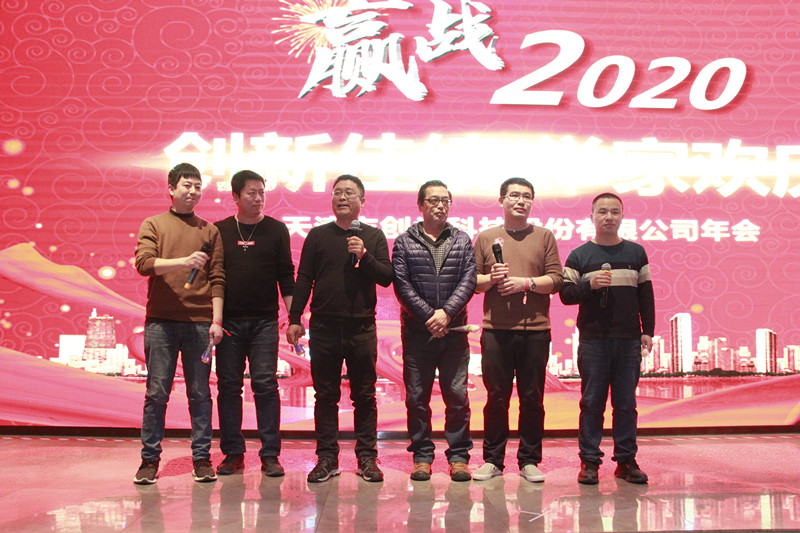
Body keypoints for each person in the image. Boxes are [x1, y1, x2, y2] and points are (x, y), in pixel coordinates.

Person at [286, 174, 393, 483]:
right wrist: (295, 318)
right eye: (337, 193)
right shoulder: (318, 236)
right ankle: (327, 458)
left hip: (362, 327)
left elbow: (386, 276)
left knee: (365, 395)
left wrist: (364, 256)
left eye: (349, 192)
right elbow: (304, 279)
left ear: (362, 200)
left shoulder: (373, 236)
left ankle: (367, 458)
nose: (342, 197)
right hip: (324, 328)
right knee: (325, 395)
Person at [133, 162, 225, 484]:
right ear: (171, 189)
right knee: (157, 393)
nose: (193, 191)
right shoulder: (154, 224)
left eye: (198, 186)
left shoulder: (209, 231)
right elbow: (144, 264)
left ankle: (202, 458)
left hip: (200, 323)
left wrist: (216, 320)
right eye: (187, 185)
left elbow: (217, 278)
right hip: (161, 322)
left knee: (200, 393)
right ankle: (149, 460)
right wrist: (184, 262)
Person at [560, 192, 655, 485]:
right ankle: (589, 462)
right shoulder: (579, 255)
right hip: (594, 340)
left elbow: (646, 295)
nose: (609, 217)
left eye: (614, 211)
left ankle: (626, 461)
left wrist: (648, 330)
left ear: (622, 216)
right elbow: (566, 295)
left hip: (628, 340)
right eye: (602, 212)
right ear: (592, 217)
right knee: (592, 403)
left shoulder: (636, 252)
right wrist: (589, 285)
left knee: (626, 404)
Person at [472, 177, 563, 483]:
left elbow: (556, 280)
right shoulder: (486, 238)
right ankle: (493, 460)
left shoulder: (544, 236)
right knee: (496, 398)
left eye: (526, 196)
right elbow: (473, 282)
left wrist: (526, 283)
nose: (520, 201)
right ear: (502, 200)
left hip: (535, 330)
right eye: (514, 195)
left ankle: (529, 460)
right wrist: (492, 279)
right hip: (495, 330)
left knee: (532, 398)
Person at [392, 180, 477, 482]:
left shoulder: (462, 240)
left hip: (454, 332)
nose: (440, 206)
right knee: (417, 397)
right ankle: (422, 456)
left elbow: (469, 280)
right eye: (433, 200)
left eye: (445, 200)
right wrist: (430, 317)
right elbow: (402, 285)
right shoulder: (404, 242)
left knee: (457, 397)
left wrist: (446, 314)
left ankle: (459, 457)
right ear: (421, 205)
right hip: (418, 333)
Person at [213, 170, 295, 477]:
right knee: (229, 386)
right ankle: (233, 452)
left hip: (264, 322)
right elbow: (214, 277)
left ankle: (270, 454)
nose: (259, 198)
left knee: (265, 385)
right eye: (252, 192)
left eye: (262, 192)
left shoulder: (276, 230)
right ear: (235, 196)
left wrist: (295, 318)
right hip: (229, 323)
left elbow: (286, 276)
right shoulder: (219, 230)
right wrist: (214, 319)